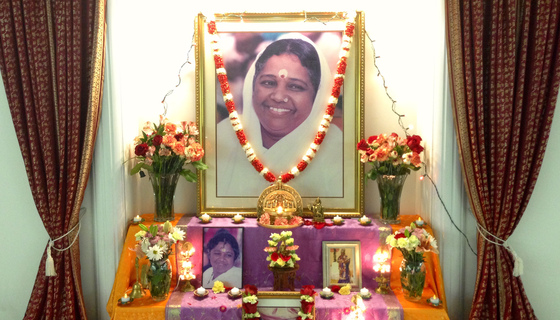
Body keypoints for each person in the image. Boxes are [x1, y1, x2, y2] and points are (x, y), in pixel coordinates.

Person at [216, 34, 343, 197]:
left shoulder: (334, 145)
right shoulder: (225, 135)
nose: (278, 96)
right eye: (268, 82)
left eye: (295, 86)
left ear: (316, 96)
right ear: (252, 86)